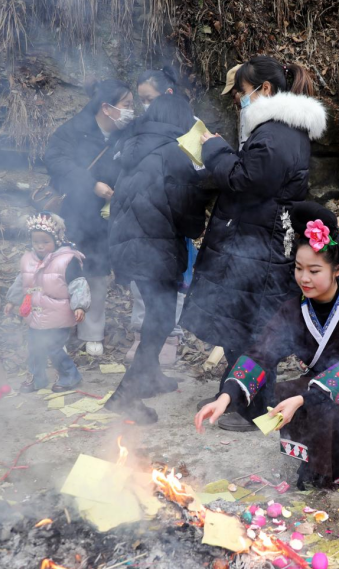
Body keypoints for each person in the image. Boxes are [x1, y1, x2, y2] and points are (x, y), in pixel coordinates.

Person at [194, 214, 339, 489]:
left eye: (314, 271)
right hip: (320, 381)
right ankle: (318, 459)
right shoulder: (293, 309)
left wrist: (304, 398)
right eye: (298, 268)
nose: (304, 278)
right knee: (288, 395)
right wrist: (226, 396)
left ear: (338, 269)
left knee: (329, 408)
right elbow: (262, 352)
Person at [181, 56, 327, 432]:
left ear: (264, 89)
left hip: (260, 246)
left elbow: (245, 181)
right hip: (255, 241)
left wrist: (215, 150)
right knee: (239, 325)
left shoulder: (276, 134)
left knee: (253, 329)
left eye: (242, 93)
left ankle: (254, 408)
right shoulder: (279, 130)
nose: (239, 102)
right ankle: (229, 396)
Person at [106, 95, 213, 422]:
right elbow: (185, 212)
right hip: (153, 243)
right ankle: (127, 393)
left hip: (127, 241)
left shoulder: (134, 145)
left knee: (157, 311)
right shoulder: (174, 152)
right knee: (163, 316)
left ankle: (149, 375)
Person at [44, 78, 134, 357]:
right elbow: (55, 161)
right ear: (107, 108)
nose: (132, 111)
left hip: (104, 218)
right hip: (74, 213)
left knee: (96, 271)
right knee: (63, 271)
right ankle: (56, 330)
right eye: (127, 105)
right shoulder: (73, 130)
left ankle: (92, 332)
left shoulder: (127, 133)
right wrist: (91, 184)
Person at [126, 66, 196, 367]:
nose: (145, 105)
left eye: (149, 98)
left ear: (166, 95)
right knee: (156, 293)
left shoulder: (188, 128)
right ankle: (145, 358)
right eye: (141, 99)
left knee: (166, 293)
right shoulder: (143, 134)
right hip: (157, 231)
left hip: (152, 231)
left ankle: (165, 343)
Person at [4, 213, 89, 393]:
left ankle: (70, 376)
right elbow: (22, 281)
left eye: (45, 241)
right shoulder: (28, 260)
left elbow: (78, 285)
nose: (40, 246)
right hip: (36, 315)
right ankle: (37, 378)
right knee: (35, 347)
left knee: (53, 347)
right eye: (36, 242)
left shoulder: (67, 260)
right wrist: (12, 300)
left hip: (58, 316)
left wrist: (80, 305)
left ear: (57, 240)